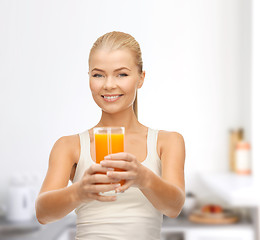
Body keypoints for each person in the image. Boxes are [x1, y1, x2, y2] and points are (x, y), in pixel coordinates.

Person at [35, 31, 186, 240]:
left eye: (121, 74)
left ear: (141, 78)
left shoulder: (167, 142)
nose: (108, 85)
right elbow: (43, 213)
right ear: (89, 77)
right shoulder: (69, 146)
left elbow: (174, 207)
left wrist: (144, 178)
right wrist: (78, 192)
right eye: (98, 74)